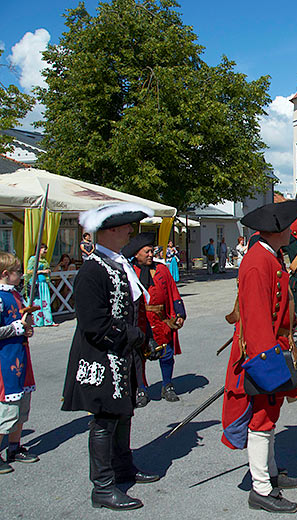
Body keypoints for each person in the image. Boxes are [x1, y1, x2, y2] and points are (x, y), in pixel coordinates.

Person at [62, 203, 160, 511]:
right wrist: (131, 336)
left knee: (124, 413)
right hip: (102, 356)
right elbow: (93, 323)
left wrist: (142, 339)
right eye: (125, 228)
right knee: (104, 421)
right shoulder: (93, 270)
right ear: (110, 232)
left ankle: (123, 466)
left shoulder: (118, 265)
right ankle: (102, 487)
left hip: (122, 355)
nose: (130, 232)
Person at [221, 199, 297, 514]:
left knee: (270, 417)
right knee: (261, 418)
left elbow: (278, 306)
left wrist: (292, 322)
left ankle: (270, 472)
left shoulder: (270, 253)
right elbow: (259, 319)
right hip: (263, 354)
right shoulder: (257, 263)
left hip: (274, 348)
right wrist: (269, 365)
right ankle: (260, 488)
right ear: (277, 231)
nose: (291, 231)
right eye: (288, 226)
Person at [122, 233, 187, 404]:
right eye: (147, 252)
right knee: (139, 357)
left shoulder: (162, 270)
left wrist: (179, 314)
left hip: (161, 320)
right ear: (136, 254)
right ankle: (141, 389)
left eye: (152, 251)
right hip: (140, 321)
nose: (151, 255)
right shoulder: (128, 272)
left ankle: (167, 385)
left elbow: (173, 292)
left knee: (166, 354)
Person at [0, 252, 37, 474]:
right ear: (6, 274)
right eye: (17, 272)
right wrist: (16, 328)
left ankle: (14, 447)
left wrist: (27, 328)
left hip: (21, 356)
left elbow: (22, 324)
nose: (21, 275)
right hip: (5, 359)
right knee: (7, 409)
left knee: (22, 406)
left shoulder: (15, 294)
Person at [25, 243, 55, 327]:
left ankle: (48, 320)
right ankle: (37, 321)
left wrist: (48, 271)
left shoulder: (44, 260)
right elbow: (29, 271)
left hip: (44, 283)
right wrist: (41, 271)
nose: (45, 251)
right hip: (36, 283)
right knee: (37, 302)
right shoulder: (33, 259)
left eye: (45, 249)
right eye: (43, 248)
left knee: (45, 302)